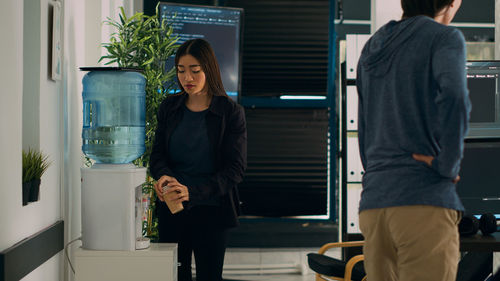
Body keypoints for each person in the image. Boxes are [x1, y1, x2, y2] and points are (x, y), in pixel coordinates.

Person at [356, 0, 471, 280]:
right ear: (451, 3)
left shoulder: (373, 45)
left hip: (374, 205)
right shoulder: (445, 37)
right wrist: (448, 166)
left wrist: (377, 174)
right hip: (422, 201)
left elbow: (365, 125)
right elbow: (455, 98)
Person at [149, 38, 247, 281]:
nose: (187, 78)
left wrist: (192, 191)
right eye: (181, 71)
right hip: (173, 209)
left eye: (195, 70)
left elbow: (235, 169)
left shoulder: (230, 112)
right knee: (174, 276)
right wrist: (163, 177)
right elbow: (157, 155)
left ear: (208, 69)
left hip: (212, 211)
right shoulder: (169, 108)